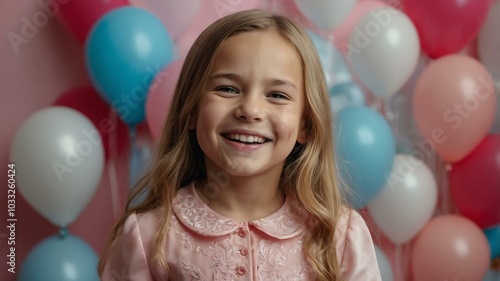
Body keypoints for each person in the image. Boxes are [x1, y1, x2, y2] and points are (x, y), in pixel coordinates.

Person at [99, 9, 381, 281]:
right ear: (192, 111)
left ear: (304, 126)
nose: (250, 109)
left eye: (277, 95)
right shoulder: (149, 235)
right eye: (228, 89)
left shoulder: (340, 236)